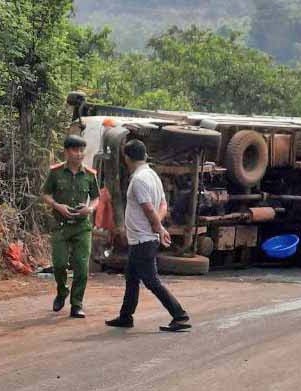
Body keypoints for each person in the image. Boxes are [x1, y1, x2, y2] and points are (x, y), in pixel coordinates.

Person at [105, 139, 191, 332]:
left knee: (151, 281)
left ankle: (180, 315)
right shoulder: (152, 175)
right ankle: (126, 316)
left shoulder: (139, 180)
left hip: (143, 240)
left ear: (126, 158)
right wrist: (159, 226)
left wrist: (158, 228)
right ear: (144, 156)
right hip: (143, 239)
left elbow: (149, 209)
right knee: (131, 277)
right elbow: (163, 205)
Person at [41, 135, 100, 318]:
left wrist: (89, 209)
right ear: (66, 152)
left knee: (82, 268)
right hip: (60, 225)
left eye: (82, 150)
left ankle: (77, 304)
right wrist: (57, 206)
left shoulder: (90, 175)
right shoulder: (56, 172)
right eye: (75, 150)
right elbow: (45, 194)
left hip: (82, 227)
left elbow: (97, 198)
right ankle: (62, 291)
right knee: (59, 265)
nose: (79, 154)